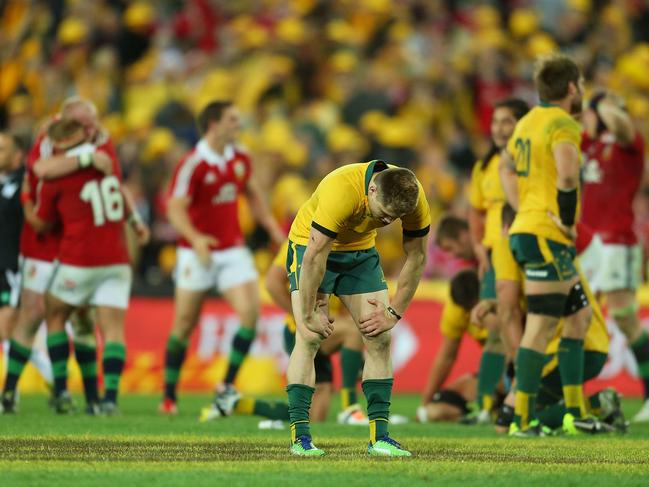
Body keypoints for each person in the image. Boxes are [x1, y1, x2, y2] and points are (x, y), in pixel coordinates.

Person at [0, 97, 145, 414]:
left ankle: (90, 397)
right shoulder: (48, 139)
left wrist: (133, 220)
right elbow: (40, 169)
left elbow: (114, 185)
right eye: (85, 123)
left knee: (81, 319)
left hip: (78, 244)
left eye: (94, 121)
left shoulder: (102, 141)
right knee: (32, 315)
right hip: (43, 244)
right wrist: (85, 160)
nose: (94, 129)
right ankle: (11, 392)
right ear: (67, 123)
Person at [286, 159, 430, 456]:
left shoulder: (413, 197)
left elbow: (416, 257)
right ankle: (300, 438)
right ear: (372, 189)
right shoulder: (341, 189)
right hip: (310, 246)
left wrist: (395, 312)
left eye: (396, 218)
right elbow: (315, 254)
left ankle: (380, 438)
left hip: (361, 253)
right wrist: (310, 309)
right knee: (309, 336)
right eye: (386, 215)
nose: (389, 222)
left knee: (380, 337)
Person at [161, 100, 284, 415]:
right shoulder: (193, 163)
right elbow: (175, 208)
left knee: (250, 315)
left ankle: (226, 384)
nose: (237, 125)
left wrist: (271, 227)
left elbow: (253, 194)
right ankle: (169, 396)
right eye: (232, 120)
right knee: (184, 325)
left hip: (231, 250)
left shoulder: (240, 157)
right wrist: (195, 237)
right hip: (196, 253)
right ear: (214, 124)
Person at [499, 53, 596, 436]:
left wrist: (520, 207)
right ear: (572, 87)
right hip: (547, 234)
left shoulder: (526, 123)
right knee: (539, 325)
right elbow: (569, 177)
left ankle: (575, 411)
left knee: (579, 318)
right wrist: (568, 222)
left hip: (531, 229)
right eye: (581, 85)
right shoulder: (562, 123)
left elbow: (507, 165)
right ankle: (522, 418)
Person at [201, 239, 367, 426]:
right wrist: (302, 316)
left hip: (327, 324)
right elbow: (272, 283)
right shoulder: (302, 239)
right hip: (300, 328)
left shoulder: (348, 243)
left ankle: (236, 403)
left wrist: (354, 353)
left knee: (313, 417)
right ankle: (350, 408)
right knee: (353, 331)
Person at [579, 92, 649, 422]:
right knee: (577, 315)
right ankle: (571, 399)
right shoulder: (588, 144)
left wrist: (604, 105)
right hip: (589, 245)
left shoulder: (627, 143)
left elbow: (622, 127)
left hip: (618, 241)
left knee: (624, 317)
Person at [467, 99, 530, 419]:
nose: (499, 129)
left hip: (529, 243)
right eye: (495, 122)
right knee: (501, 317)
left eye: (507, 122)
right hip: (496, 251)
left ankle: (520, 388)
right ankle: (516, 384)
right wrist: (478, 247)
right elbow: (476, 210)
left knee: (529, 317)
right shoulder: (484, 166)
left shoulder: (531, 159)